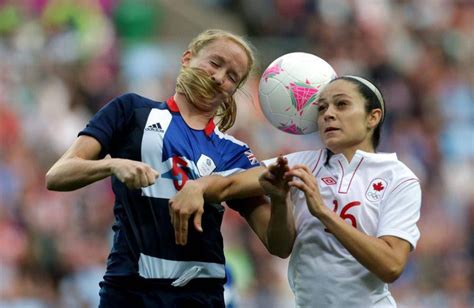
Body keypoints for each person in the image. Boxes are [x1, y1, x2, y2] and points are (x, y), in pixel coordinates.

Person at [45, 29, 265, 308]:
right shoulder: (131, 111)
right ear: (187, 58)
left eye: (232, 76)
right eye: (215, 63)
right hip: (127, 293)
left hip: (199, 298)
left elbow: (278, 243)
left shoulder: (234, 153)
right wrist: (112, 164)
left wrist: (282, 195)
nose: (220, 77)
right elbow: (57, 175)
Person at [169, 75, 422, 307]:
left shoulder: (398, 178)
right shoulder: (298, 165)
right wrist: (199, 186)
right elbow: (230, 186)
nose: (328, 115)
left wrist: (323, 212)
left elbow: (391, 265)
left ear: (373, 117)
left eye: (341, 105)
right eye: (322, 108)